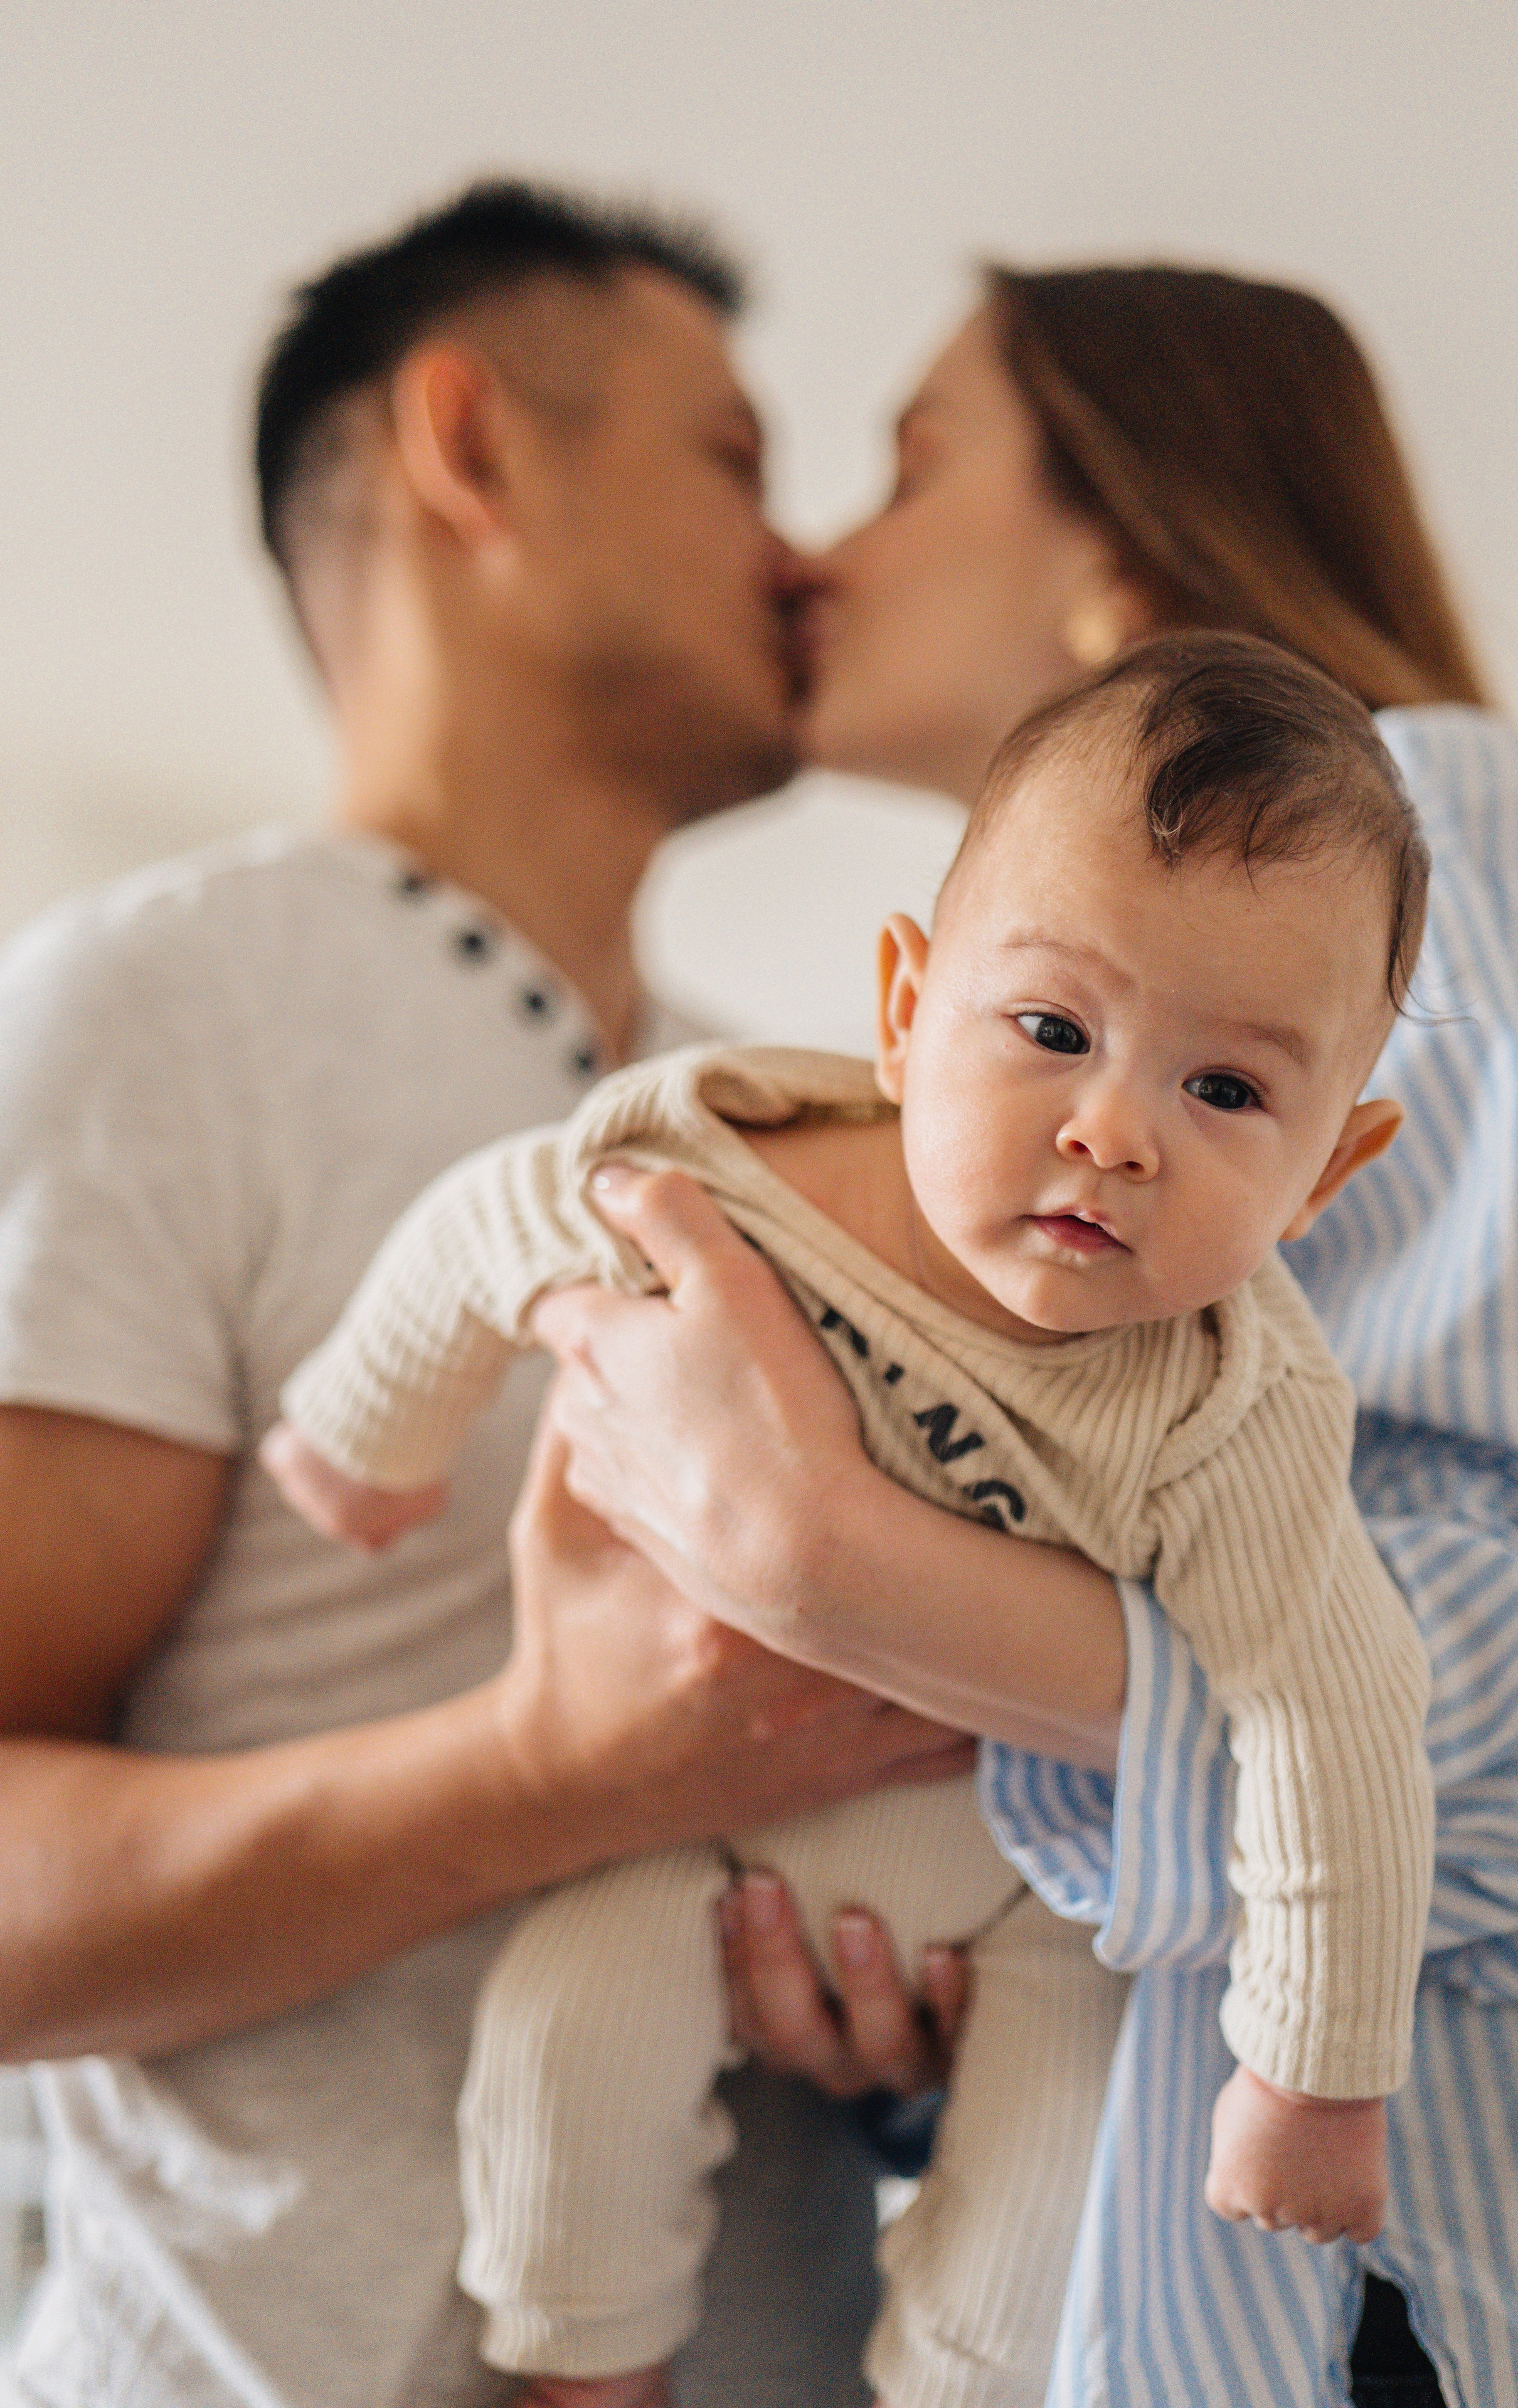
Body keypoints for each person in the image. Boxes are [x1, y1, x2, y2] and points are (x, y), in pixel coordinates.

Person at [526, 268, 1518, 2405]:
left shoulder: (1436, 821)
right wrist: (939, 2015)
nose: (819, 548)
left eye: (914, 462)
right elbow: (1179, 1850)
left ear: (1116, 544)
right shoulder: (990, 1173)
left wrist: (839, 1569)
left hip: (1426, 2310)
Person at [0, 181, 997, 2408]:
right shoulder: (149, 1009)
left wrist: (913, 2014)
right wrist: (546, 1774)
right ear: (475, 445)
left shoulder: (813, 1122)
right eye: (734, 459)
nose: (805, 550)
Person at [267, 630, 1438, 2408]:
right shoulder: (746, 1184)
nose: (1114, 1129)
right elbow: (504, 1217)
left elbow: (1337, 1714)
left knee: (1058, 2217)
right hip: (686, 1831)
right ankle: (590, 2383)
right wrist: (372, 1429)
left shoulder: (1229, 1416)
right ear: (904, 1011)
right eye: (1051, 1030)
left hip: (1019, 1892)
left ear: (1327, 1173)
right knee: (563, 2040)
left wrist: (1312, 2076)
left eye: (1226, 1092)